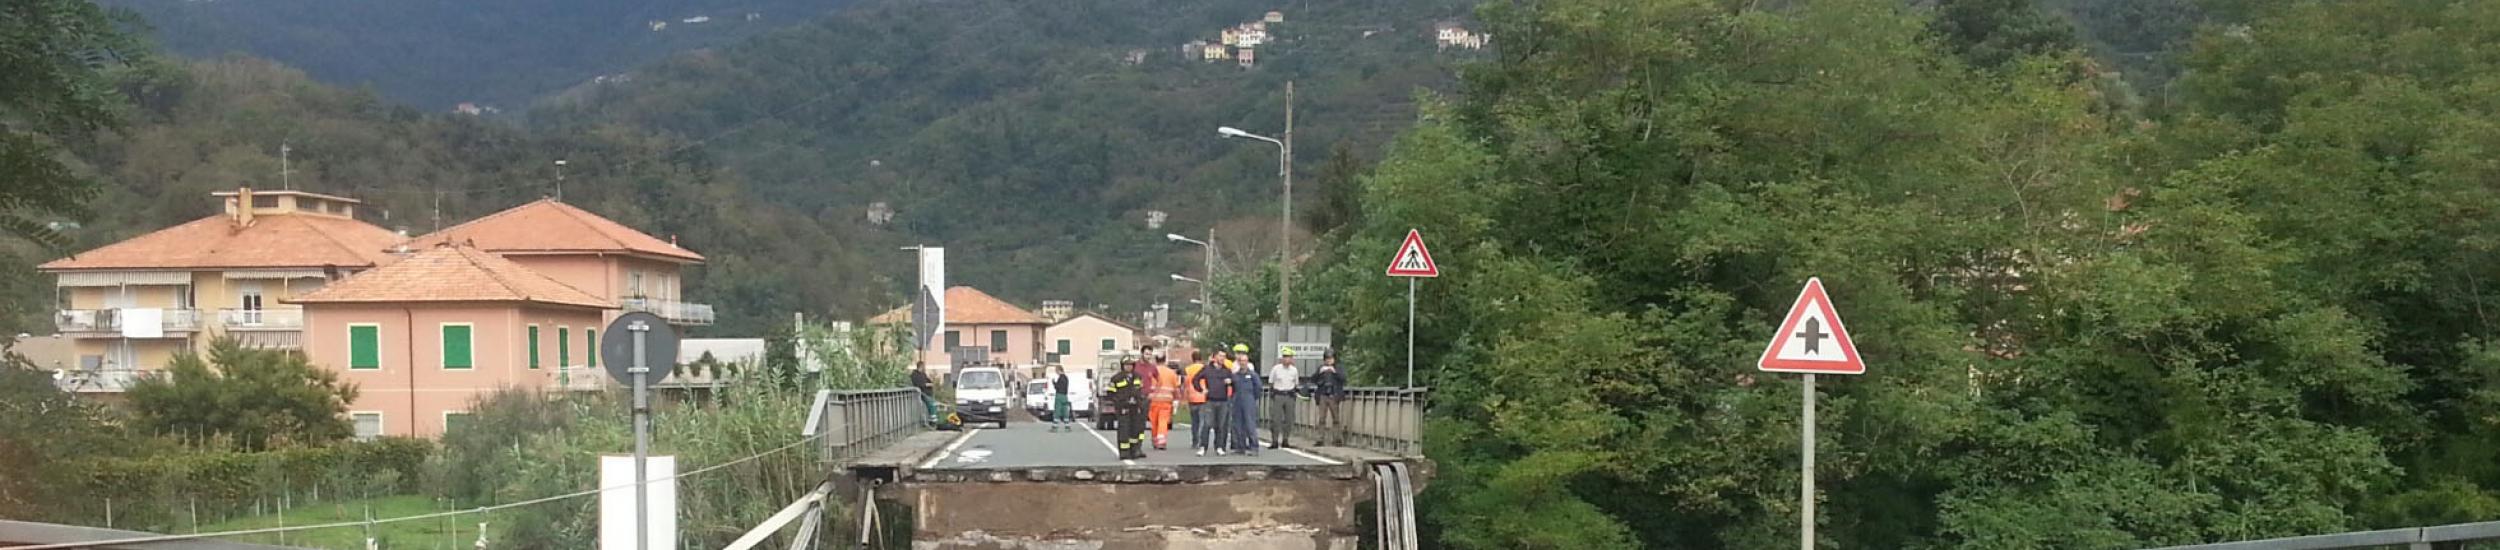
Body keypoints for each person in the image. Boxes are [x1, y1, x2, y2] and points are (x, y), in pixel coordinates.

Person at [1192, 350, 1236, 456]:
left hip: (1223, 400)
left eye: (1224, 356)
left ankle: (1219, 447)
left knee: (1221, 425)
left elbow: (1235, 383)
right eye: (1220, 356)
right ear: (1214, 357)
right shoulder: (1207, 369)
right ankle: (1203, 447)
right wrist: (1202, 390)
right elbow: (1195, 379)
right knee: (1207, 424)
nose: (1222, 358)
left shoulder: (1226, 371)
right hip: (1210, 400)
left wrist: (1231, 382)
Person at [1228, 347, 1264, 455]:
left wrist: (1253, 399)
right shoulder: (1235, 375)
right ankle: (1240, 447)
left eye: (1244, 361)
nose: (1242, 363)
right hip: (1237, 401)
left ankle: (1254, 447)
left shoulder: (1252, 375)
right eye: (1241, 361)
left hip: (1249, 401)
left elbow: (1258, 388)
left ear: (1247, 362)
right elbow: (1233, 388)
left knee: (1250, 424)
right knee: (1238, 424)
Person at [1108, 364, 1147, 459]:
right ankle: (1124, 452)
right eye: (1126, 365)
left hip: (1135, 406)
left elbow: (1140, 390)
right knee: (1124, 430)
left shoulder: (1137, 376)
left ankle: (1134, 451)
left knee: (1135, 429)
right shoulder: (1116, 378)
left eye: (1131, 365)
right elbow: (1110, 393)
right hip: (1123, 407)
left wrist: (1140, 402)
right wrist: (1119, 403)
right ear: (1122, 366)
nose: (1129, 367)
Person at [1266, 347, 1302, 449]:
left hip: (1289, 395)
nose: (1287, 359)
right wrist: (1273, 394)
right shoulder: (1276, 369)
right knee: (1275, 419)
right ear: (1282, 359)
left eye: (1289, 357)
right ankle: (1274, 440)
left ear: (1291, 359)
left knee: (1289, 419)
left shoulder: (1294, 370)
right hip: (1278, 394)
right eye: (1285, 357)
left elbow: (1296, 384)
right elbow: (1271, 382)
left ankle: (1286, 440)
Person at [1311, 353, 1347, 446]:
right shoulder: (1321, 368)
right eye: (1327, 359)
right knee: (1322, 418)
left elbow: (1343, 379)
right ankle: (1320, 439)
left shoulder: (1338, 368)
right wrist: (1320, 373)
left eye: (1330, 358)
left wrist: (1334, 372)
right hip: (1323, 395)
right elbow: (1313, 379)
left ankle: (1337, 439)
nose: (1329, 361)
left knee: (1336, 418)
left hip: (1334, 395)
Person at [1149, 359, 1180, 450]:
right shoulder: (1171, 373)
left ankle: (1155, 440)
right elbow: (1176, 388)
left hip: (1153, 401)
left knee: (1154, 422)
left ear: (1156, 360)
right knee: (1163, 421)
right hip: (1166, 401)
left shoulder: (1150, 371)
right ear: (1165, 360)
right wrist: (1176, 399)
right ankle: (1161, 441)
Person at [1182, 351, 1210, 450]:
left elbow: (1185, 385)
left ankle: (1195, 441)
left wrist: (1184, 399)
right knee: (1203, 421)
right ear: (1201, 358)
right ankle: (1201, 441)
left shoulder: (1187, 369)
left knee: (1194, 422)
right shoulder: (1205, 368)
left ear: (1192, 358)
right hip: (1203, 397)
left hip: (1191, 397)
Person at [1049, 366, 1074, 432]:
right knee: (1065, 411)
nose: (1056, 372)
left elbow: (1058, 387)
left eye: (1056, 370)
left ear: (1059, 370)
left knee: (1057, 411)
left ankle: (1055, 427)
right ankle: (1067, 427)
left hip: (1059, 396)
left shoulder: (1060, 378)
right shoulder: (1066, 378)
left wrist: (1054, 383)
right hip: (1065, 396)